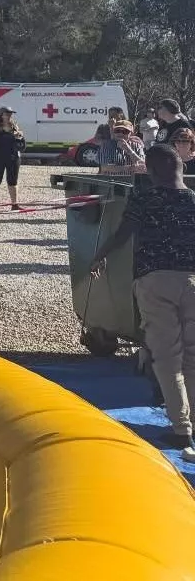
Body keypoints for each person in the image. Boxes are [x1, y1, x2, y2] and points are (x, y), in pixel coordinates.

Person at [90, 145, 195, 463]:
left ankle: (181, 429)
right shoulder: (193, 199)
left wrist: (100, 255)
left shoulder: (145, 197)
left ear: (150, 171)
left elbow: (124, 232)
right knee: (191, 356)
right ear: (180, 169)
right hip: (192, 280)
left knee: (167, 358)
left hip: (154, 281)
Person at [0, 107, 25, 209]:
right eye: (7, 114)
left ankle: (14, 204)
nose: (9, 116)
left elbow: (21, 140)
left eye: (10, 114)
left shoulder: (14, 126)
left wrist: (19, 136)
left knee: (12, 181)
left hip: (13, 157)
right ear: (2, 115)